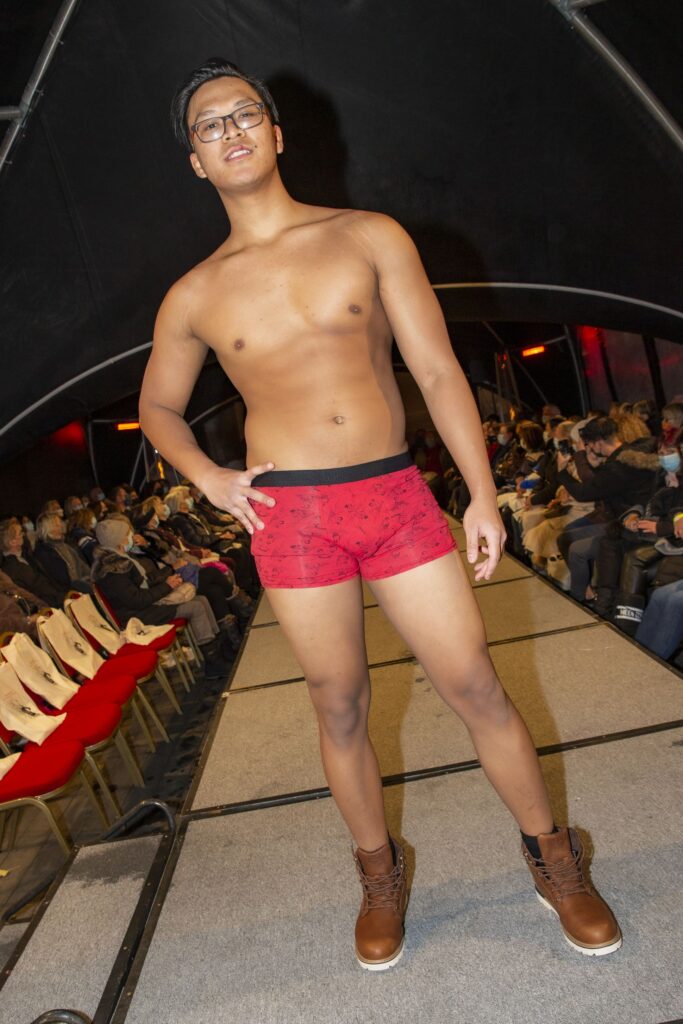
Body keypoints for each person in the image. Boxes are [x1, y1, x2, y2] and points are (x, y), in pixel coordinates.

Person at [139, 57, 621, 968]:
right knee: (338, 703)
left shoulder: (366, 234)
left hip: (394, 495)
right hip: (293, 518)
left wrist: (479, 492)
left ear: (277, 132)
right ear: (196, 160)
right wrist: (206, 474)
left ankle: (554, 860)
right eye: (210, 124)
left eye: (245, 114)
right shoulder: (193, 293)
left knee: (473, 683)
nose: (231, 130)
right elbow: (158, 407)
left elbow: (435, 370)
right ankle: (378, 874)